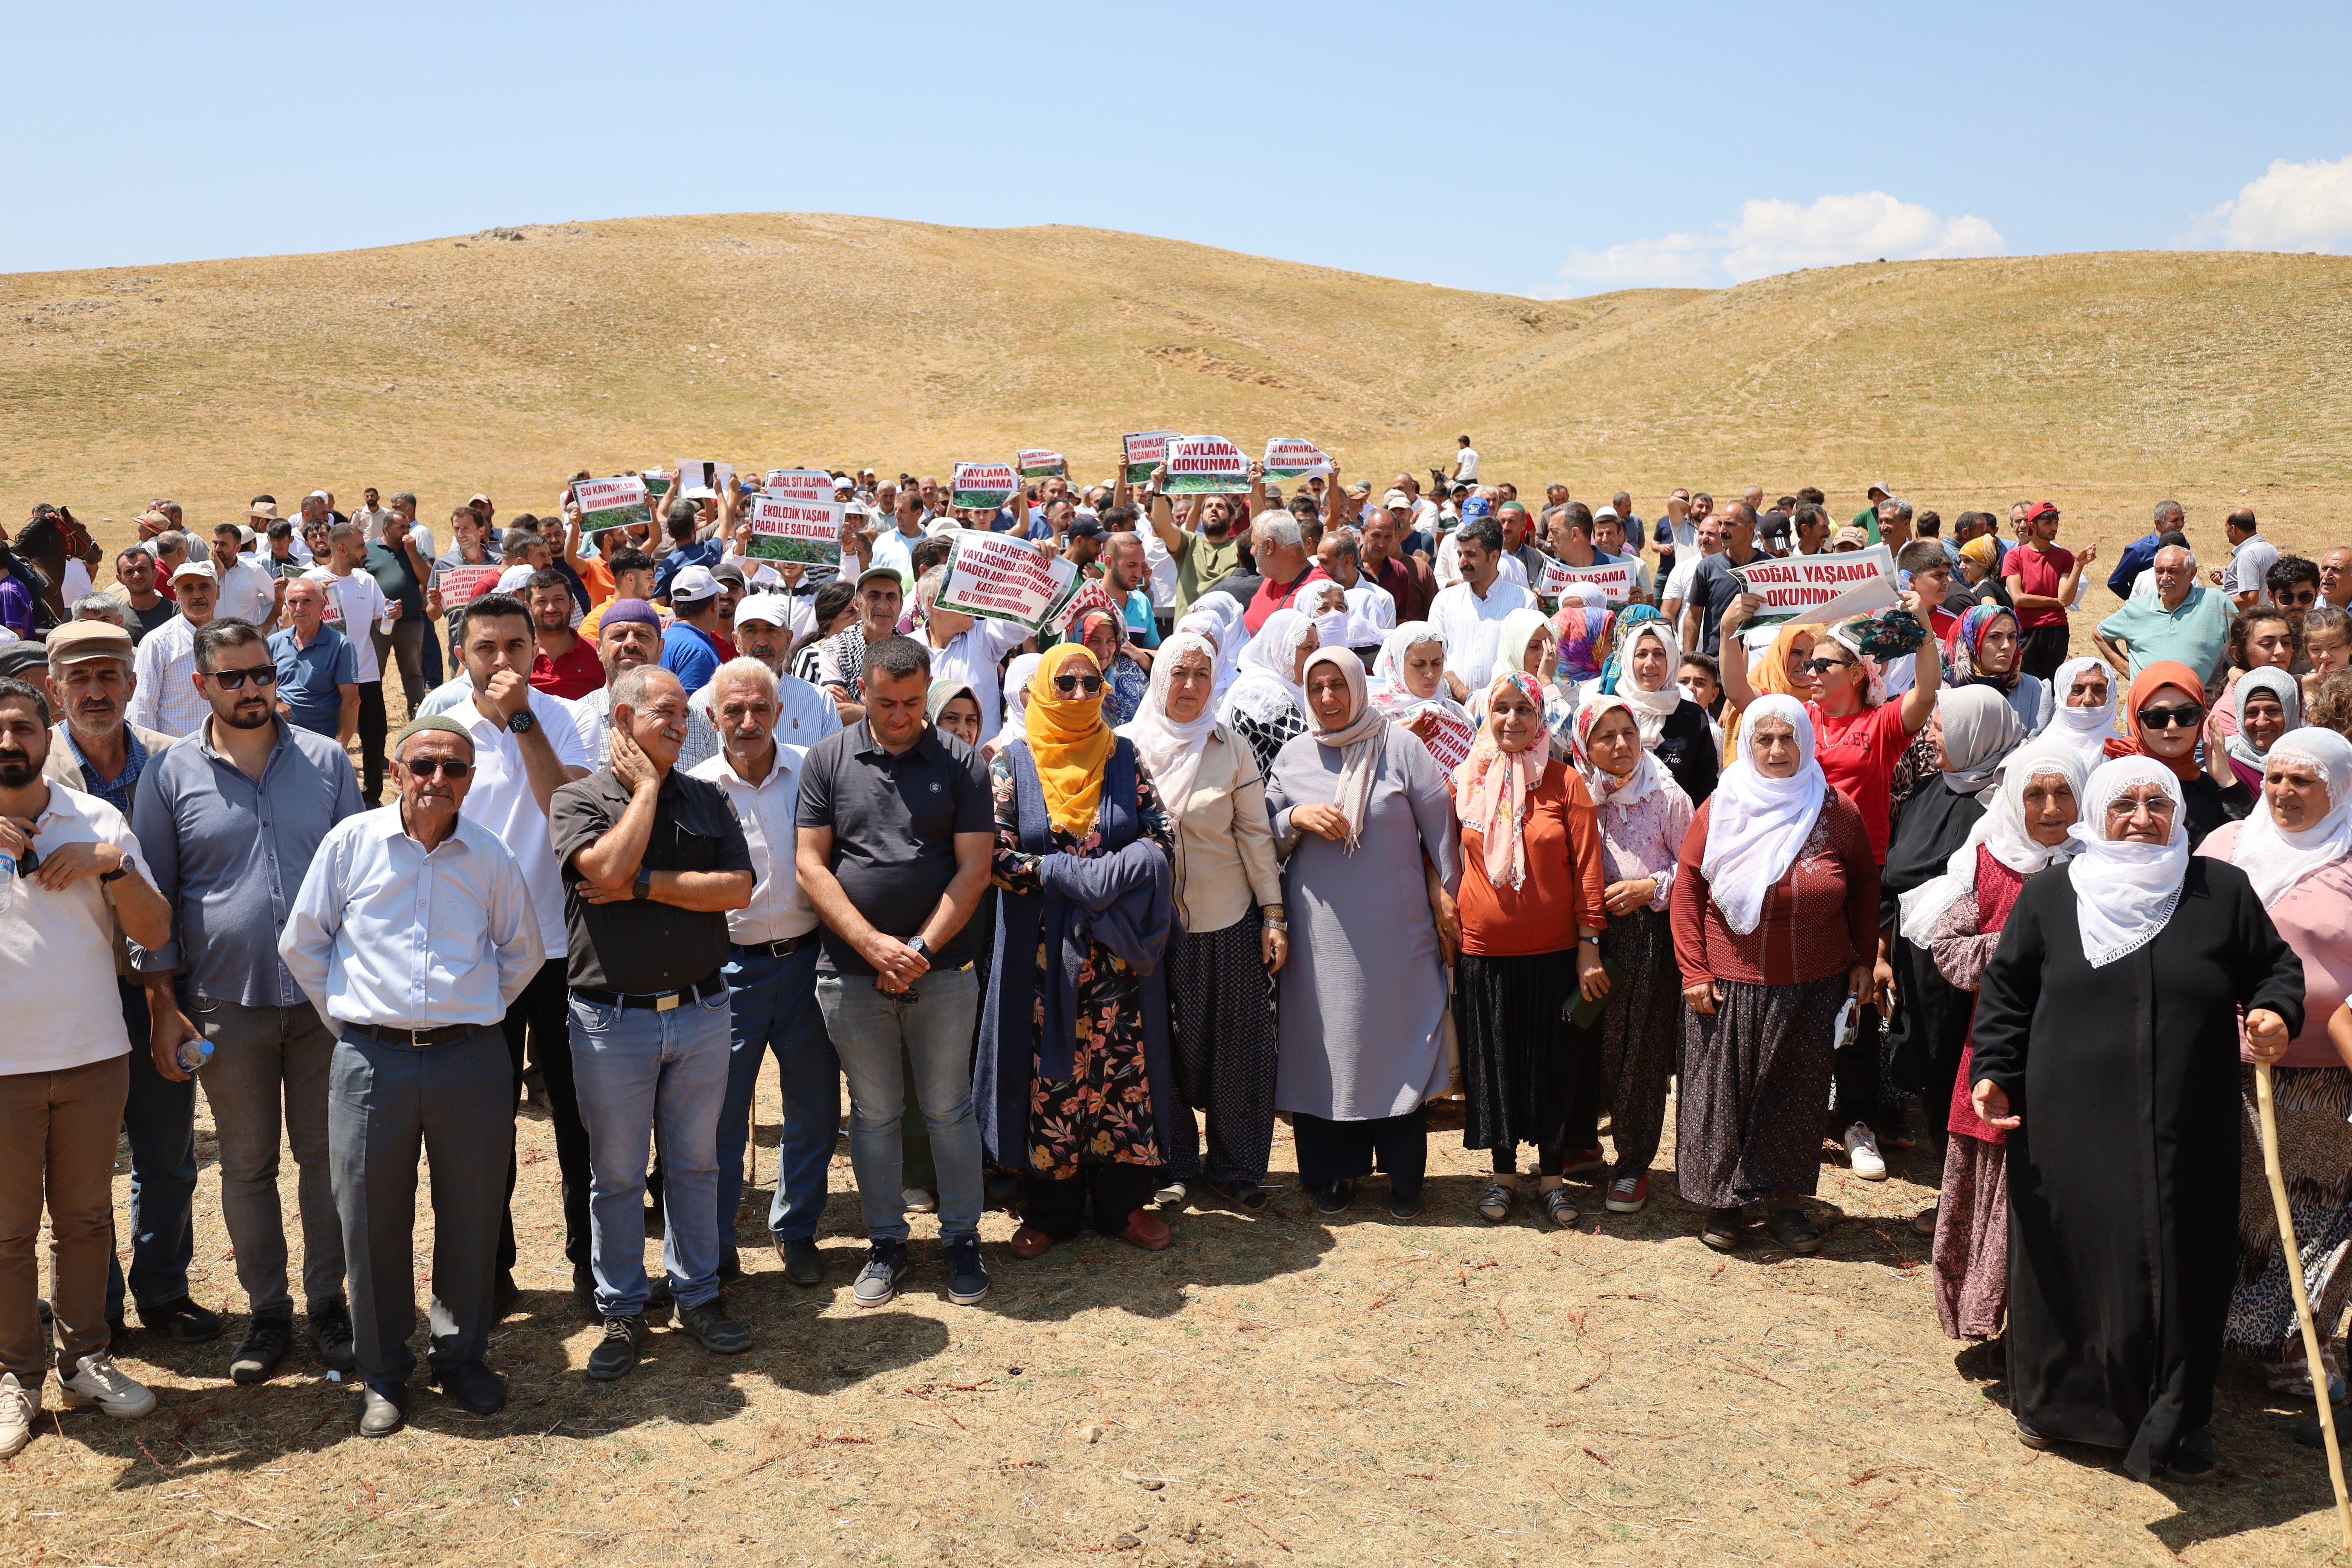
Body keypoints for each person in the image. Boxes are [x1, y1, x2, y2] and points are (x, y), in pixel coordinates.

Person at [1971, 756, 2302, 1480]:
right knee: (2070, 1253)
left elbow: (2273, 970)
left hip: (2190, 1128)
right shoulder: (2053, 896)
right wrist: (1994, 1074)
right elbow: (2007, 997)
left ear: (2181, 815)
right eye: (2126, 803)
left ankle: (2175, 1421)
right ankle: (2060, 1407)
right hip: (2068, 1125)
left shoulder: (2221, 891)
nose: (2144, 817)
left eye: (2160, 803)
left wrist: (2276, 1011)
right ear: (2097, 813)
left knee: (2182, 1263)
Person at [279, 715, 542, 1437]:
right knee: (369, 1220)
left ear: (470, 780)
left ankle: (461, 1358)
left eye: (454, 769)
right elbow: (304, 944)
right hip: (372, 1060)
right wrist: (356, 1026)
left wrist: (472, 1011)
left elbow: (521, 954)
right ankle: (384, 1373)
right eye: (423, 765)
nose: (437, 780)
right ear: (397, 770)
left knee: (473, 1211)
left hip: (470, 1058)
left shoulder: (488, 856)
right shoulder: (350, 845)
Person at [132, 619, 364, 1384]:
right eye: (231, 678)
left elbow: (361, 885)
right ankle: (269, 1313)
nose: (250, 689)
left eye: (261, 673)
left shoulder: (329, 763)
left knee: (327, 1161)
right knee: (246, 1165)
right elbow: (156, 904)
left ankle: (329, 1304)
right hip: (224, 1006)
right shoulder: (169, 777)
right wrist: (165, 1004)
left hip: (324, 1005)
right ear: (201, 685)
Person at [549, 666, 754, 1379]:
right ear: (622, 722)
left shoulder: (707, 798)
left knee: (695, 1166)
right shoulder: (577, 798)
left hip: (700, 1012)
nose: (679, 723)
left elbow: (735, 888)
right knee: (615, 1175)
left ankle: (698, 1296)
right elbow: (601, 867)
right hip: (612, 1022)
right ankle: (623, 1311)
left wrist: (641, 888)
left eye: (682, 713)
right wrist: (642, 793)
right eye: (663, 712)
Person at [0, 674, 175, 1453]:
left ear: (49, 736)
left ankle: (86, 1360)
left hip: (93, 1055)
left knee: (85, 1221)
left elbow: (155, 928)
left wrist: (109, 864)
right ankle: (13, 1374)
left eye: (22, 729)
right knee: (4, 1235)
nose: (9, 743)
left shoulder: (98, 818)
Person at [795, 637, 994, 1308]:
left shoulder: (962, 762)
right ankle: (887, 1242)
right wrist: (873, 944)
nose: (901, 715)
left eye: (913, 702)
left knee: (948, 1110)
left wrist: (920, 951)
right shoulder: (828, 759)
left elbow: (974, 870)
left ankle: (963, 1240)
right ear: (864, 691)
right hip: (851, 974)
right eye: (885, 702)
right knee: (874, 1116)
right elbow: (811, 865)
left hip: (941, 971)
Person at [977, 645, 1181, 1255]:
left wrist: (1106, 877)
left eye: (1090, 682)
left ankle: (1124, 1206)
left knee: (1121, 1073)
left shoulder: (1123, 756)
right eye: (1064, 682)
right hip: (1044, 963)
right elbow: (997, 853)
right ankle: (1052, 1211)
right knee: (1052, 1078)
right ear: (1041, 689)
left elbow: (1161, 836)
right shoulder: (1012, 764)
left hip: (1117, 957)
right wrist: (1065, 876)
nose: (1078, 693)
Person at [1671, 696, 1883, 1255]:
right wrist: (1694, 968)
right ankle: (1726, 1203)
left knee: (1797, 1095)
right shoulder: (1722, 807)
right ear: (1746, 744)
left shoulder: (1835, 809)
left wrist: (1864, 957)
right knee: (1725, 1095)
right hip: (1729, 983)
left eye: (1787, 738)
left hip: (1816, 984)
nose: (1776, 750)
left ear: (1806, 742)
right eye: (1763, 739)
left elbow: (1863, 883)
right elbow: (1689, 887)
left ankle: (1786, 1202)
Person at [1267, 649, 1463, 1218]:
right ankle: (1336, 1173)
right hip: (1322, 934)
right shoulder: (1295, 755)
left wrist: (1444, 901)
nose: (1328, 698)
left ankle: (1405, 1179)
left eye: (1338, 685)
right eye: (1318, 687)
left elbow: (1442, 839)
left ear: (1359, 686)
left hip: (1398, 936)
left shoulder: (1403, 749)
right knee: (1331, 1048)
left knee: (1395, 1042)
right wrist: (1294, 818)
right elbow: (1263, 833)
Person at [1903, 743, 2087, 1348]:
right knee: (1990, 1184)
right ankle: (1986, 1318)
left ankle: (2044, 1331)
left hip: (2076, 1056)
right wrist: (2021, 944)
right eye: (2035, 794)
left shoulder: (2102, 868)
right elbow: (1951, 953)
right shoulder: (1989, 862)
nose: (2052, 807)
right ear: (2014, 800)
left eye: (2064, 793)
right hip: (1999, 1053)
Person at [2192, 729, 2352, 1407]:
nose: (2284, 792)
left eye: (2303, 782)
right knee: (2232, 1202)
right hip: (2220, 1058)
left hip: (2322, 1071)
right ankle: (2220, 1340)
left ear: (2339, 789)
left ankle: (2294, 1346)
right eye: (2277, 778)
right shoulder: (2224, 849)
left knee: (2316, 1214)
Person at [1116, 632, 1286, 1210]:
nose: (1190, 686)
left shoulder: (1230, 746)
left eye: (1202, 676)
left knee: (1238, 1045)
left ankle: (1236, 1167)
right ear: (1160, 676)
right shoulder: (1124, 748)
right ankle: (1173, 1163)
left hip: (1228, 920)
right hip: (1149, 929)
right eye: (1179, 673)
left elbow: (1256, 837)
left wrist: (1273, 914)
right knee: (1160, 1047)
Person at [684, 657, 836, 1286]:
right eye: (734, 711)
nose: (747, 722)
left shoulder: (811, 771)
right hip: (729, 971)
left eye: (759, 709)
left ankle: (797, 1230)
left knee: (816, 1107)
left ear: (778, 712)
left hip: (806, 964)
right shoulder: (693, 787)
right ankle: (717, 1245)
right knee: (718, 1118)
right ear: (713, 717)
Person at [1450, 670, 1608, 1227]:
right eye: (1502, 709)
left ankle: (1553, 1179)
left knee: (1553, 1069)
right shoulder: (1464, 781)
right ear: (1486, 717)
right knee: (1495, 1067)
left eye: (1524, 709)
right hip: (1484, 954)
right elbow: (1442, 857)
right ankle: (1502, 1175)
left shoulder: (1566, 784)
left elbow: (1589, 869)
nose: (1512, 720)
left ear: (1541, 719)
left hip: (1555, 955)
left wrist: (1589, 945)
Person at [1879, 688, 2026, 1218]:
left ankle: (1966, 1199)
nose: (1932, 736)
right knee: (1930, 1065)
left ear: (1974, 732)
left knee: (1961, 1071)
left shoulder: (2002, 802)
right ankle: (1951, 1191)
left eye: (1941, 727)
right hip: (1915, 955)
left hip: (1968, 967)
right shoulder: (1931, 789)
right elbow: (1897, 870)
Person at [1568, 696, 1694, 1214]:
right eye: (1606, 736)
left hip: (1648, 942)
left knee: (1639, 1055)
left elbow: (1695, 873)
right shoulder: (1579, 794)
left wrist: (1650, 888)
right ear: (1585, 745)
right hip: (1587, 939)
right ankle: (1583, 1144)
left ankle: (1633, 1165)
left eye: (1628, 733)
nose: (1621, 746)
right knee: (1585, 1041)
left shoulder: (1666, 795)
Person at [2102, 662, 2252, 847]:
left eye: (2187, 714)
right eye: (2156, 717)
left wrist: (2227, 781)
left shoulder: (2214, 789)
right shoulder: (2116, 787)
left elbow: (2251, 846)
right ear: (2136, 720)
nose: (2172, 726)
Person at [304, 522, 394, 802]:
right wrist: (312, 598)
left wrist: (392, 616)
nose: (367, 551)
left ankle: (372, 797)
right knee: (326, 740)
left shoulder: (366, 581)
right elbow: (288, 624)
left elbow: (383, 626)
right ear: (342, 550)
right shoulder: (311, 580)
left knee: (375, 737)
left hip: (366, 674)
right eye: (360, 546)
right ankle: (324, 794)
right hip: (325, 675)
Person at [1588, 617, 1717, 806]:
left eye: (1659, 654)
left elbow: (1705, 791)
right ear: (1629, 660)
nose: (1650, 663)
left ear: (1671, 660)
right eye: (1641, 654)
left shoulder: (1693, 717)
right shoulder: (1610, 712)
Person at [2095, 545, 2233, 688]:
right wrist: (2127, 670)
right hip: (2146, 706)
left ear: (2192, 574)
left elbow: (2243, 641)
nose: (2165, 578)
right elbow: (2100, 634)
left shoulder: (2215, 601)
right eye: (2160, 571)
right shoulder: (2136, 608)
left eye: (2173, 571)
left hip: (2203, 706)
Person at [127, 560, 224, 739]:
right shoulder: (158, 643)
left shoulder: (230, 639)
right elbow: (141, 712)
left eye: (204, 587)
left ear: (217, 592)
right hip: (176, 755)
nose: (197, 595)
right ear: (176, 596)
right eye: (187, 589)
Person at [1218, 606, 1320, 776]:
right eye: (1308, 648)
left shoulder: (1291, 686)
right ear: (1281, 650)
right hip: (1260, 797)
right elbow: (1309, 745)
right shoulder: (1261, 691)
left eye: (1317, 647)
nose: (1315, 656)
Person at [1999, 502, 2092, 680]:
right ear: (2033, 526)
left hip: (2056, 630)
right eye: (2048, 523)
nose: (2054, 527)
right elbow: (2018, 598)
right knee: (2022, 682)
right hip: (2026, 630)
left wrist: (2078, 566)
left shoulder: (2066, 557)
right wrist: (2054, 602)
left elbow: (2065, 599)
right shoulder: (2014, 556)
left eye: (2056, 522)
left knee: (2051, 685)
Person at [266, 578, 358, 745]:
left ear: (322, 605)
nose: (300, 609)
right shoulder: (273, 643)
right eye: (293, 602)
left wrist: (340, 745)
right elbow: (260, 685)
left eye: (307, 602)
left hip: (319, 741)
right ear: (286, 606)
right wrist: (277, 701)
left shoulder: (341, 645)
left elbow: (352, 700)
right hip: (276, 738)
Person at [1942, 605, 2051, 737]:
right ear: (1972, 640)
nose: (2006, 646)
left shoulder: (2035, 690)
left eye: (2012, 637)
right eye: (1995, 637)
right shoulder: (1940, 690)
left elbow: (2038, 746)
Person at [2217, 666, 2299, 793]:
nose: (2261, 723)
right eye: (2252, 713)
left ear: (2291, 713)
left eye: (2273, 711)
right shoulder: (2224, 772)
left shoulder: (2312, 767)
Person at [526, 568, 602, 699]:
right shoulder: (514, 655)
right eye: (542, 602)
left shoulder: (599, 655)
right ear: (529, 609)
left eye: (559, 600)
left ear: (573, 605)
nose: (551, 608)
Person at [1076, 607, 1150, 727]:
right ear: (1079, 640)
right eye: (1095, 641)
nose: (1104, 651)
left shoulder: (1129, 669)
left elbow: (1150, 712)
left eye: (1110, 641)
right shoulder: (1067, 677)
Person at [2045, 656, 2118, 773]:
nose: (2088, 699)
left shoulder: (2127, 753)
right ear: (2061, 696)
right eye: (2078, 690)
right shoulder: (2041, 752)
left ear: (2111, 696)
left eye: (2099, 690)